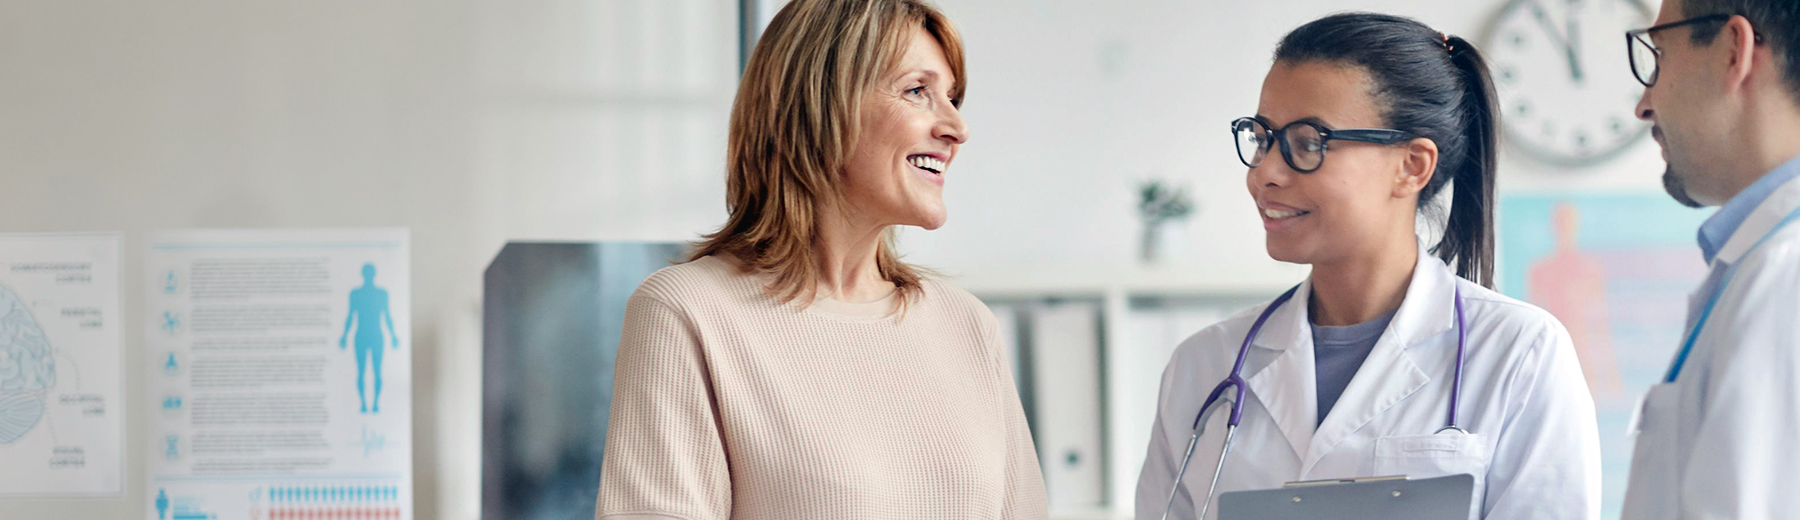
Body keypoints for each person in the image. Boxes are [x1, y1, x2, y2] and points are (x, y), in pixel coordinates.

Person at [1135, 13, 1600, 520]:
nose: (1265, 173)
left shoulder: (1519, 353)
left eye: (1308, 143)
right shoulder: (1204, 365)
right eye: (1263, 136)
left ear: (1412, 166)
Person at [596, 0, 1046, 518]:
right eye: (917, 91)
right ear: (817, 103)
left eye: (953, 98)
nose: (956, 127)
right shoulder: (688, 313)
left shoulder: (966, 324)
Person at [1620, 0, 1800, 517]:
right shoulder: (1762, 262)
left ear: (1732, 51)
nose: (1644, 104)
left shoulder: (1783, 275)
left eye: (1657, 57)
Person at [339, 262, 398, 414]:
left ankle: (376, 403)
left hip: (377, 335)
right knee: (361, 372)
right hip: (361, 336)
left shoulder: (381, 294)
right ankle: (364, 404)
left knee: (377, 371)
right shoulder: (356, 294)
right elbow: (350, 316)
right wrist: (344, 335)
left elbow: (387, 316)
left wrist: (393, 335)